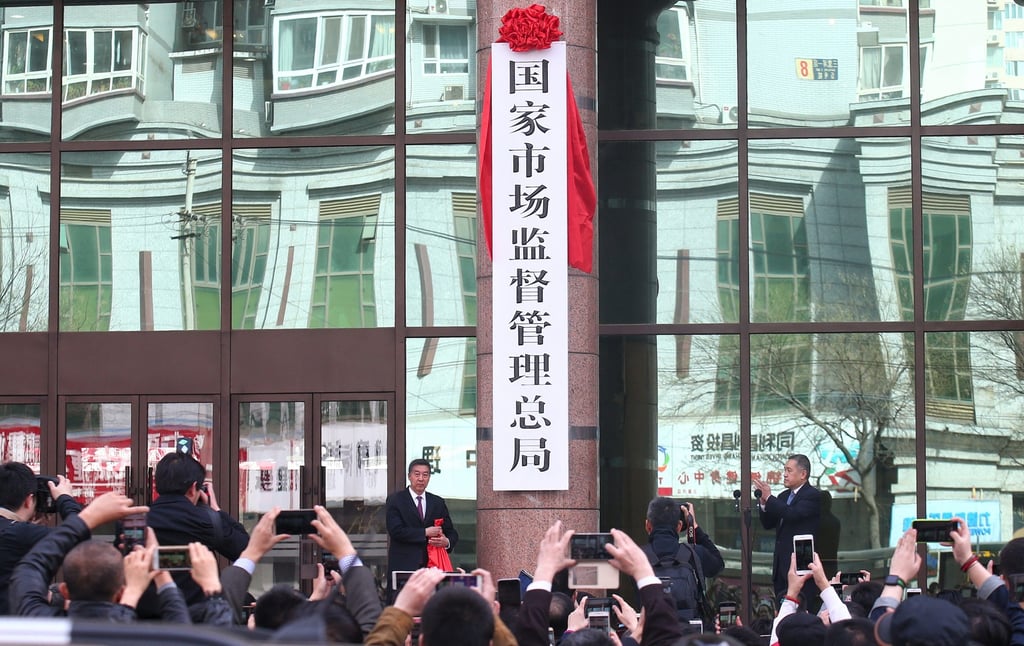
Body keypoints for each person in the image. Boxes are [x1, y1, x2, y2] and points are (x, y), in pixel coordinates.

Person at [9, 490, 190, 623]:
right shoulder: (141, 638)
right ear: (120, 593)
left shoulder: (41, 628)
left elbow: (31, 566)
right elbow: (181, 628)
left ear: (65, 591)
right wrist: (158, 569)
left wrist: (88, 517)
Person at [143, 452, 249, 611]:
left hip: (145, 619)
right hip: (194, 619)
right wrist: (216, 510)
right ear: (194, 488)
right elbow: (243, 548)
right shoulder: (206, 521)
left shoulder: (137, 522)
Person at [0, 463, 81, 615]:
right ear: (29, 500)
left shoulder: (19, 531)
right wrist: (65, 499)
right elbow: (79, 537)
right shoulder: (21, 533)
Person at [642, 497, 724, 626]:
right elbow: (718, 564)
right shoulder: (694, 553)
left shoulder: (637, 557)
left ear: (648, 525)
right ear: (679, 526)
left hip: (651, 633)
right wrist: (693, 526)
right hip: (690, 634)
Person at [753, 453, 821, 599]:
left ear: (803, 474)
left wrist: (770, 498)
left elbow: (792, 514)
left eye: (789, 471)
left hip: (800, 568)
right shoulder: (784, 496)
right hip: (781, 567)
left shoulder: (812, 495)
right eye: (784, 470)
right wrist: (764, 504)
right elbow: (768, 523)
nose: (784, 475)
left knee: (799, 612)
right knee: (782, 611)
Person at [384, 458, 458, 591]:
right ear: (409, 476)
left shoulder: (437, 502)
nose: (421, 479)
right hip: (404, 566)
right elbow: (395, 531)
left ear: (429, 477)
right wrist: (425, 533)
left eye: (425, 475)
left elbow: (451, 532)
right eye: (417, 474)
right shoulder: (396, 500)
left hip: (431, 567)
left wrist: (446, 542)